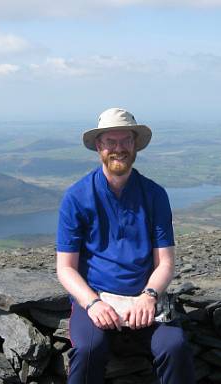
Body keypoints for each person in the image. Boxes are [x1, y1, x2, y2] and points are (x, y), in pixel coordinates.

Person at [56, 108, 195, 383]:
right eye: (111, 142)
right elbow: (65, 268)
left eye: (126, 141)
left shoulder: (154, 195)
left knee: (174, 347)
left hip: (144, 299)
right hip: (95, 299)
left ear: (135, 145)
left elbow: (165, 262)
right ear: (99, 146)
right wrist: (93, 303)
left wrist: (149, 295)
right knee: (88, 349)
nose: (119, 149)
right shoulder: (77, 197)